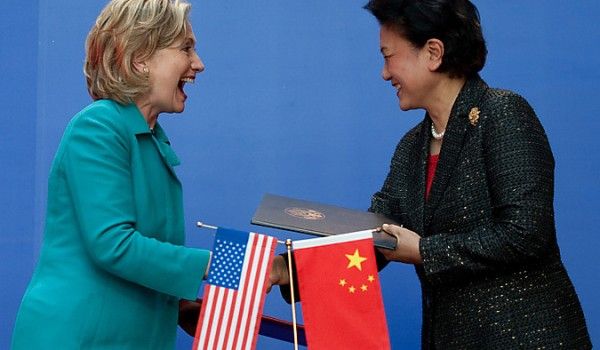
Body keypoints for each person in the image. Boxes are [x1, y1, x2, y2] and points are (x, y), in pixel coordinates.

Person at [270, 0, 592, 348]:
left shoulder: (502, 114)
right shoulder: (412, 148)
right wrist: (282, 269)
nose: (384, 73)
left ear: (433, 53)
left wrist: (425, 250)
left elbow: (527, 233)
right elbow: (373, 239)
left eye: (388, 56)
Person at [11, 0, 210, 348]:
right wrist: (241, 267)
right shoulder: (98, 126)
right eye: (185, 48)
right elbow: (114, 246)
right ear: (141, 58)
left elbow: (142, 259)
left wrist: (176, 303)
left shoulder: (150, 140)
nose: (198, 64)